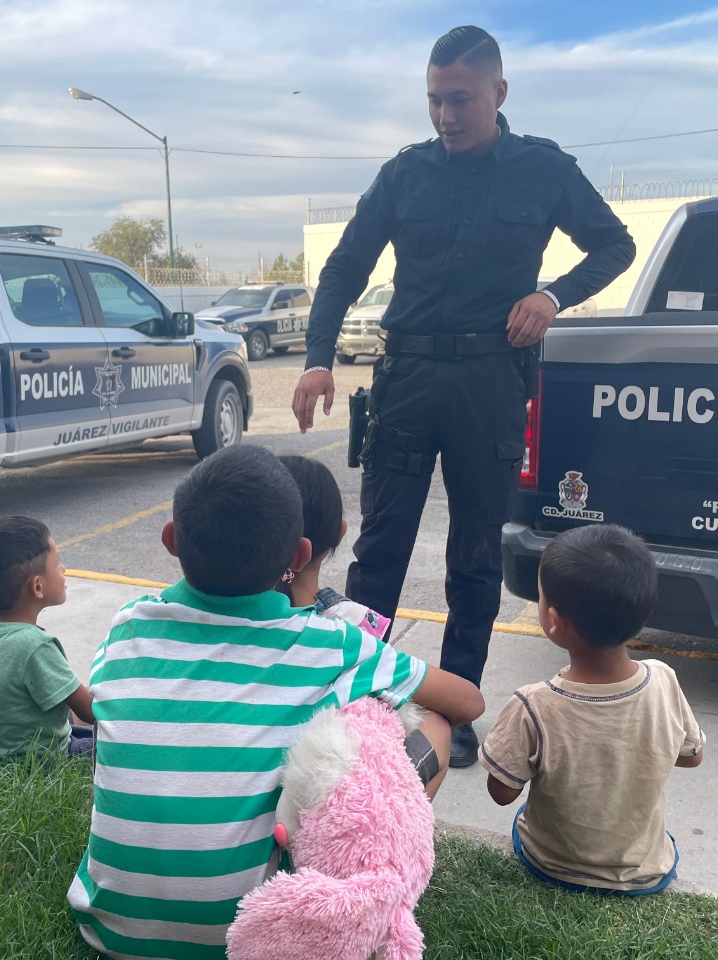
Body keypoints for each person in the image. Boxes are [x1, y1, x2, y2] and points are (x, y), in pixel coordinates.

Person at [291, 25, 637, 767]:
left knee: (475, 557)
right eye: (435, 101)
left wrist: (553, 294)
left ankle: (459, 704)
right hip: (408, 380)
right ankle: (369, 702)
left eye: (461, 100)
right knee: (379, 554)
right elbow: (345, 266)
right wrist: (318, 359)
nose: (446, 115)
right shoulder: (405, 174)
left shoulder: (544, 171)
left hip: (491, 383)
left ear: (498, 94)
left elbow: (614, 245)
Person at [67, 444, 484, 959]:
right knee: (428, 724)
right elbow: (468, 703)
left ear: (172, 541)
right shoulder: (330, 644)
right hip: (259, 938)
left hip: (112, 934)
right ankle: (378, 870)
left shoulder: (127, 625)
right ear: (301, 556)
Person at [479, 524, 705, 895]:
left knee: (526, 817)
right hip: (644, 870)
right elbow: (692, 757)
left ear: (553, 619)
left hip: (552, 864)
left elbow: (502, 793)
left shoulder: (533, 704)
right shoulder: (663, 680)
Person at [276, 453, 450, 798]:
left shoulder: (235, 617)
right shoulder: (350, 628)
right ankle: (395, 823)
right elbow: (469, 702)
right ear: (340, 533)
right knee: (437, 726)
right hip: (327, 793)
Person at [0, 516, 95, 769]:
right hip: (33, 764)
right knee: (117, 740)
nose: (63, 570)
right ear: (38, 586)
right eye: (57, 563)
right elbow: (91, 712)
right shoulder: (34, 646)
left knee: (66, 702)